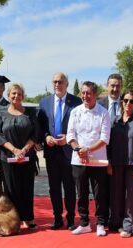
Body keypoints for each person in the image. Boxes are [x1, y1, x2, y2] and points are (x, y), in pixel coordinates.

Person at [37, 73, 82, 230]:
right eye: (55, 81)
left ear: (67, 84)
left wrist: (69, 138)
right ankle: (57, 218)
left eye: (60, 82)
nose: (57, 84)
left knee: (69, 187)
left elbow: (80, 127)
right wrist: (45, 137)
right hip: (51, 152)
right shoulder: (44, 103)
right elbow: (40, 127)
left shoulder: (76, 102)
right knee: (54, 188)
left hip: (69, 152)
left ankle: (70, 219)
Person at [67, 81, 111, 236]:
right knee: (82, 192)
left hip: (98, 160)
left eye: (88, 93)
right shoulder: (75, 111)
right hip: (78, 159)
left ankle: (100, 223)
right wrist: (79, 150)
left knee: (100, 193)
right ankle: (84, 223)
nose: (85, 96)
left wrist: (89, 150)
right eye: (83, 93)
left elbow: (105, 138)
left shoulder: (104, 113)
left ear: (95, 95)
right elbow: (70, 135)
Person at [0, 83, 40, 229]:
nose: (16, 96)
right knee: (11, 190)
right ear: (8, 96)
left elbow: (35, 133)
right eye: (13, 94)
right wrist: (14, 150)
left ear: (23, 96)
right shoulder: (1, 113)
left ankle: (28, 218)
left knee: (27, 188)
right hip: (7, 158)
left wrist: (24, 150)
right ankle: (14, 220)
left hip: (27, 157)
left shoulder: (31, 113)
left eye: (19, 94)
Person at [108, 90, 133, 237]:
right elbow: (108, 144)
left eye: (132, 101)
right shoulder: (114, 121)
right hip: (116, 164)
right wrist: (109, 163)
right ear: (121, 102)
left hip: (132, 164)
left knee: (132, 196)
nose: (128, 103)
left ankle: (130, 226)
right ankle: (116, 223)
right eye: (126, 100)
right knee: (116, 195)